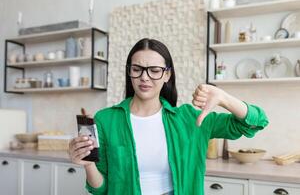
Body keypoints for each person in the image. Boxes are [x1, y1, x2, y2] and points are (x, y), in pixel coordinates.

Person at [69, 38, 269, 195]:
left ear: (167, 75)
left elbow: (256, 122)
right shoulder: (106, 120)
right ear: (129, 73)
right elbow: (101, 189)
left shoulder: (190, 119)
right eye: (137, 69)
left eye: (154, 70)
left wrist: (224, 98)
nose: (144, 77)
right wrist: (88, 165)